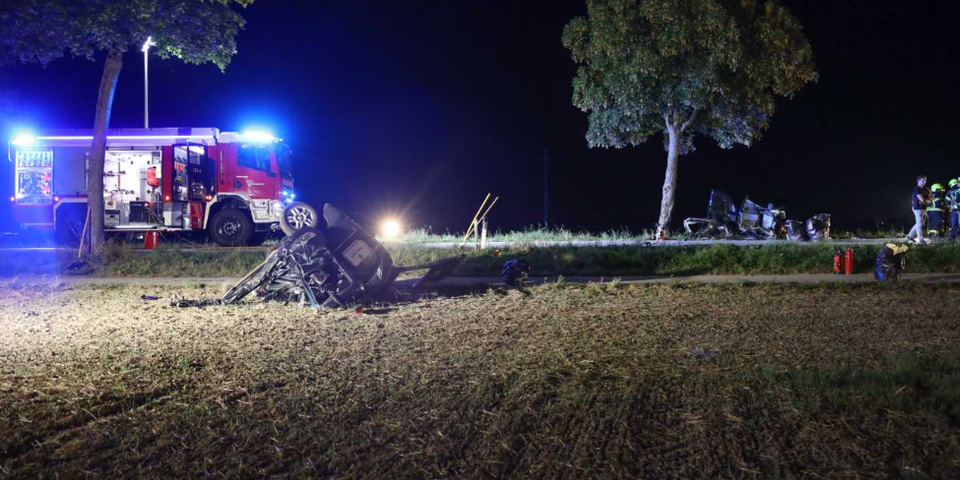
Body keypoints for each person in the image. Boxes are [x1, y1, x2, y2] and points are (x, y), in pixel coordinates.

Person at [906, 175, 929, 244]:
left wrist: (926, 200)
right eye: (923, 180)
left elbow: (930, 196)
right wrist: (927, 200)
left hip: (923, 208)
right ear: (918, 181)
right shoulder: (917, 189)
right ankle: (921, 239)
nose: (924, 182)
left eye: (925, 180)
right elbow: (921, 199)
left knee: (920, 223)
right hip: (918, 208)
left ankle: (909, 236)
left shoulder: (925, 189)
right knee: (919, 224)